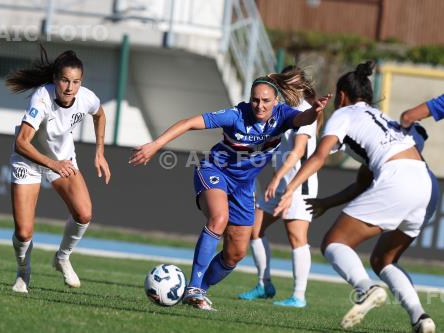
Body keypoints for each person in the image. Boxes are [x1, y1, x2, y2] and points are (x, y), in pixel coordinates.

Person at [130, 69, 331, 311]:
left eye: (266, 101)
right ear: (249, 99)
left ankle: (198, 291)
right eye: (255, 100)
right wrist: (155, 145)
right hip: (215, 171)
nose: (259, 105)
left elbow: (303, 120)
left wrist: (314, 111)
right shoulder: (235, 115)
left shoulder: (283, 115)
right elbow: (189, 123)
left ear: (275, 102)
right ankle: (193, 286)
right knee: (219, 218)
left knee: (235, 254)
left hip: (244, 187)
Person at [275, 61, 438, 333]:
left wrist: (290, 188)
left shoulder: (344, 114)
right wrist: (327, 203)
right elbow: (363, 183)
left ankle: (366, 290)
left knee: (334, 243)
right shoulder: (381, 119)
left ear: (341, 96)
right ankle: (420, 317)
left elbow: (318, 156)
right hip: (426, 184)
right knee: (383, 260)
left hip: (397, 178)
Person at [6, 46, 111, 293]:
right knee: (23, 232)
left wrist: (99, 152)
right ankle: (23, 272)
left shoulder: (86, 97)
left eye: (75, 82)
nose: (69, 87)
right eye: (64, 80)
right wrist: (53, 164)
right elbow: (21, 143)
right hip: (30, 160)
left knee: (84, 214)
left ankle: (62, 257)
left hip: (62, 159)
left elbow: (100, 114)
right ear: (55, 79)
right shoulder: (41, 98)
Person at [238, 66, 322, 309]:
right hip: (282, 181)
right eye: (287, 84)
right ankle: (264, 285)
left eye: (294, 84)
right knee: (254, 228)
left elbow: (297, 152)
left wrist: (276, 180)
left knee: (296, 237)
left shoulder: (306, 111)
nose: (290, 88)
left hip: (300, 184)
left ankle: (299, 295)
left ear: (302, 87)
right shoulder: (283, 110)